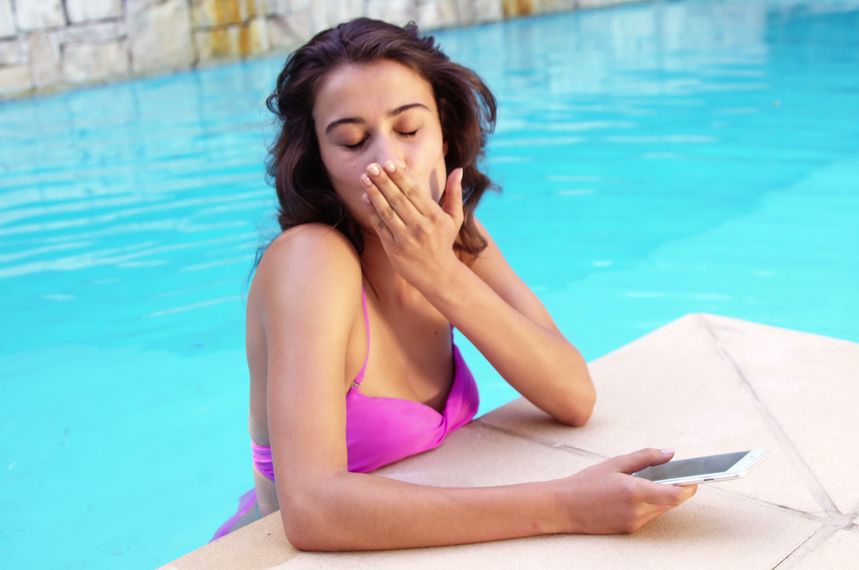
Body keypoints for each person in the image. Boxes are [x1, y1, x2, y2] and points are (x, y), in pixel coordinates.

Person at [211, 17, 696, 550]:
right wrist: (565, 504)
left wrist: (441, 276)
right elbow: (312, 513)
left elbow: (573, 395)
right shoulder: (312, 261)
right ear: (321, 163)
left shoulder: (456, 235)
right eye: (352, 142)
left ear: (443, 135)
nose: (388, 162)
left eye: (409, 130)